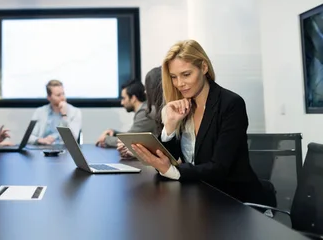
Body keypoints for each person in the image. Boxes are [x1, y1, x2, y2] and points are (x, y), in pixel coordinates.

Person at [130, 40, 268, 204]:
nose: (180, 83)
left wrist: (172, 171)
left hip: (231, 201)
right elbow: (171, 160)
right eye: (174, 77)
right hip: (196, 195)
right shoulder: (182, 106)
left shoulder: (230, 104)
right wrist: (170, 126)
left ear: (203, 67)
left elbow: (219, 168)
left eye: (186, 74)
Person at [115, 67, 164, 159]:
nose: (145, 92)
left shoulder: (146, 112)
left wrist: (106, 139)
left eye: (148, 87)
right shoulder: (155, 110)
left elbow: (129, 138)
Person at [95, 78, 157, 148]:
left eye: (124, 98)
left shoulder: (145, 112)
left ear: (133, 98)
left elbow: (130, 140)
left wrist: (106, 139)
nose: (122, 102)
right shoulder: (146, 109)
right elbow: (132, 135)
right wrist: (114, 133)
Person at [28, 80, 82, 145]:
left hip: (65, 151)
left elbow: (72, 140)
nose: (62, 98)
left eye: (63, 94)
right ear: (49, 97)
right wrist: (40, 140)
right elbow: (29, 137)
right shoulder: (40, 111)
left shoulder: (75, 112)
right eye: (58, 95)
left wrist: (64, 115)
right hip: (42, 150)